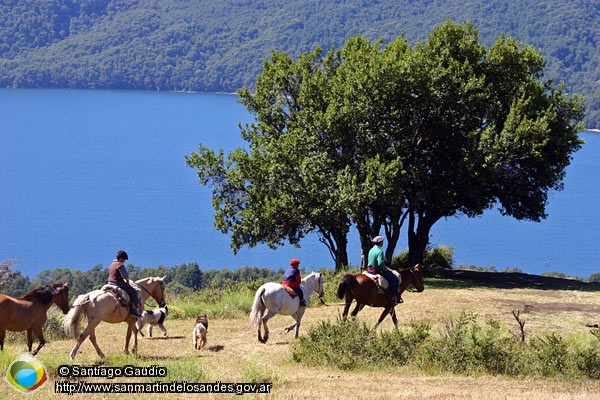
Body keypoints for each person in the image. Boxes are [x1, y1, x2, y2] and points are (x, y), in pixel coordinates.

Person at [107, 250, 141, 317]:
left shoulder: (111, 264)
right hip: (118, 283)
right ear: (121, 258)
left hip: (109, 283)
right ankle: (134, 310)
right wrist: (127, 282)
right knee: (133, 292)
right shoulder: (120, 265)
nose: (124, 261)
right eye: (124, 259)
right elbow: (125, 276)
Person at [367, 236, 400, 304]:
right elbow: (380, 264)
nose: (383, 243)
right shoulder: (380, 251)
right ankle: (393, 297)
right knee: (394, 280)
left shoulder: (371, 250)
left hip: (369, 269)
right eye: (382, 242)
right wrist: (387, 269)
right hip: (377, 270)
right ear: (380, 243)